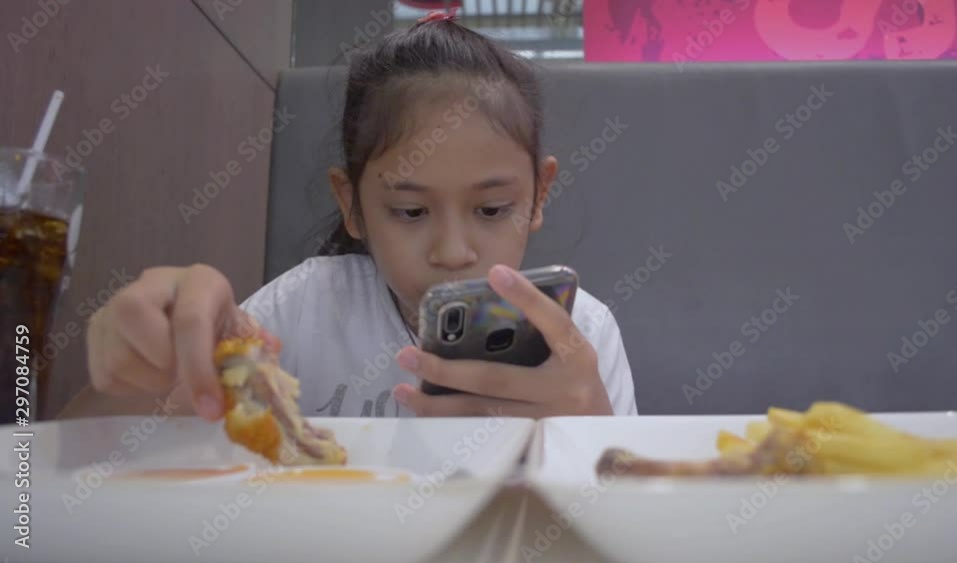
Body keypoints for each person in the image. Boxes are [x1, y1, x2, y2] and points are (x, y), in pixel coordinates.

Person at [77, 13, 637, 421]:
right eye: (410, 211)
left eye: (492, 209)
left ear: (539, 196)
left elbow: (626, 527)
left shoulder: (583, 336)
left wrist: (590, 439)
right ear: (353, 206)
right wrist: (144, 372)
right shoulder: (302, 312)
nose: (452, 251)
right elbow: (62, 485)